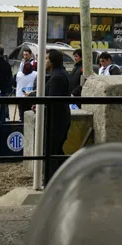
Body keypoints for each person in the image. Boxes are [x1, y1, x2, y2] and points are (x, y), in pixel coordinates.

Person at [43, 49, 72, 184]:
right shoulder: (59, 74)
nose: (45, 61)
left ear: (52, 61)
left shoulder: (57, 77)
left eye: (47, 59)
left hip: (56, 121)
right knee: (56, 151)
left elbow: (52, 101)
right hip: (60, 119)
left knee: (53, 151)